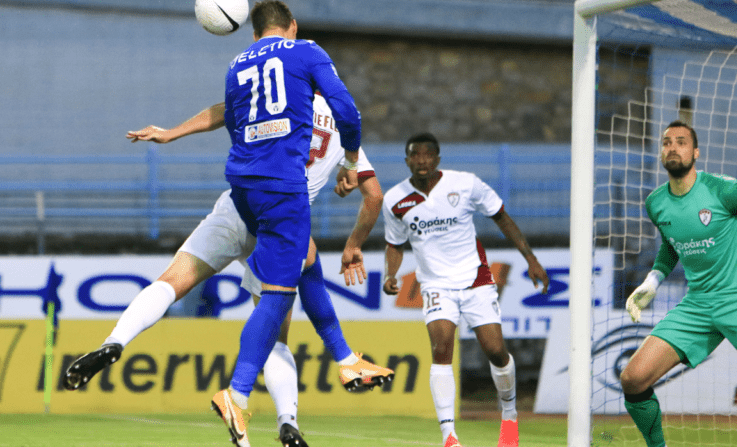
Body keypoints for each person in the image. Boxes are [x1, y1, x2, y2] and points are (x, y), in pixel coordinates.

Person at [63, 91, 393, 447]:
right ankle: (289, 420)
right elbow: (374, 196)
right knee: (276, 331)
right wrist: (353, 244)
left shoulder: (280, 94)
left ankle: (114, 342)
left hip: (239, 208)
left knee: (171, 282)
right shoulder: (345, 129)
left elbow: (223, 111)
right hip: (281, 227)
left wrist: (171, 133)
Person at [381, 133, 550, 447]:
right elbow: (394, 244)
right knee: (441, 349)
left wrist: (531, 259)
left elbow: (502, 217)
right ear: (407, 161)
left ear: (438, 159)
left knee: (496, 352)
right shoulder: (394, 200)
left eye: (428, 154)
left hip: (475, 278)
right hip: (435, 284)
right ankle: (449, 436)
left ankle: (509, 416)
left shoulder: (465, 184)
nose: (422, 160)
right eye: (415, 155)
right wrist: (390, 273)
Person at [621, 120, 737, 447]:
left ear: (696, 152)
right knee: (633, 378)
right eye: (667, 142)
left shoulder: (726, 190)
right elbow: (671, 244)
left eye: (681, 142)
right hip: (697, 304)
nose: (673, 147)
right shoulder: (656, 203)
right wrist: (652, 281)